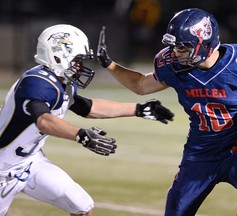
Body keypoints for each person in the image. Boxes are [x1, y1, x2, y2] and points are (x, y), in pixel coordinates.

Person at [97, 8, 237, 216]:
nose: (176, 52)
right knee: (176, 211)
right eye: (175, 46)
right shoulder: (173, 67)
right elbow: (140, 85)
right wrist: (110, 64)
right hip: (200, 151)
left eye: (184, 47)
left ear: (205, 43)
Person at [0, 24, 174, 216]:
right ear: (57, 56)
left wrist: (138, 109)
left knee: (81, 205)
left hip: (30, 162)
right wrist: (80, 135)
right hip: (2, 169)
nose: (81, 66)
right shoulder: (36, 82)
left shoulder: (61, 82)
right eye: (77, 60)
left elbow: (88, 107)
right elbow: (44, 120)